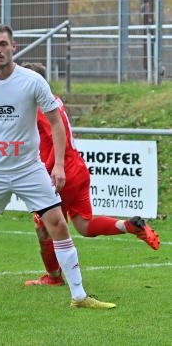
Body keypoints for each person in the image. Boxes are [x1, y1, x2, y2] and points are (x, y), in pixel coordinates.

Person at [0, 23, 116, 309]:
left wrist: (58, 164)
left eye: (3, 44)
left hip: (28, 169)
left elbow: (56, 122)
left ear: (13, 47)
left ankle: (79, 296)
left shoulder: (32, 81)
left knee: (58, 225)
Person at [21, 62, 160, 287]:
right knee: (83, 226)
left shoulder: (39, 110)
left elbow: (59, 140)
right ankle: (129, 226)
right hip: (78, 169)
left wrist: (46, 170)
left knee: (44, 230)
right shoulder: (53, 100)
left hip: (59, 174)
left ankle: (54, 277)